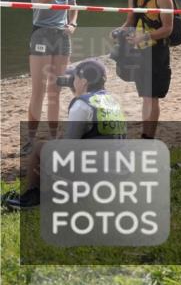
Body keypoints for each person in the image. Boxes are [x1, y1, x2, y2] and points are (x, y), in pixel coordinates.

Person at [5, 59, 125, 210]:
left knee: (40, 148)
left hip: (94, 172)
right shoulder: (112, 100)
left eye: (74, 78)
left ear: (83, 81)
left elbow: (68, 148)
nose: (72, 81)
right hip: (116, 171)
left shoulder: (81, 104)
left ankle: (32, 196)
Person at [23, 0, 78, 157]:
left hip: (62, 36)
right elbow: (39, 2)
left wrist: (72, 24)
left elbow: (74, 6)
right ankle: (31, 139)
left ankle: (54, 137)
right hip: (42, 35)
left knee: (56, 90)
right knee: (39, 89)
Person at [119, 0, 174, 138]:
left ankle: (148, 137)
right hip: (140, 52)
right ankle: (145, 135)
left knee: (152, 96)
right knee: (145, 96)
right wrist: (119, 31)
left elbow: (168, 29)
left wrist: (144, 37)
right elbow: (130, 21)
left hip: (157, 51)